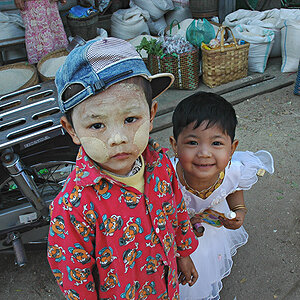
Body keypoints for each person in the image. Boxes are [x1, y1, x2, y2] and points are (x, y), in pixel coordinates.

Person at [47, 37, 199, 299]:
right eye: (97, 125)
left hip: (167, 286)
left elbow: (176, 210)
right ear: (71, 129)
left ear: (151, 114)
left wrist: (183, 254)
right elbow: (73, 274)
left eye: (130, 119)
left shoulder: (160, 164)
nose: (118, 138)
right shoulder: (73, 205)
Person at [169, 92, 274, 300]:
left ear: (232, 148)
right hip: (177, 236)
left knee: (207, 264)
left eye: (216, 143)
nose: (204, 153)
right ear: (174, 144)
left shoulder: (234, 170)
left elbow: (233, 188)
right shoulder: (165, 175)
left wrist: (239, 211)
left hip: (212, 232)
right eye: (192, 142)